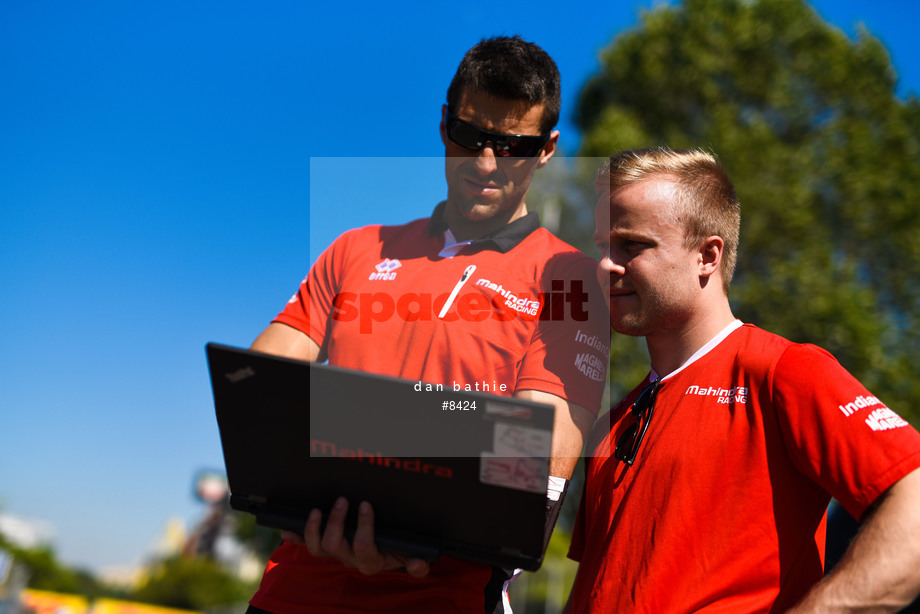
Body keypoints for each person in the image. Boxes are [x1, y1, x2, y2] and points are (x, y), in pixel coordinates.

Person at [245, 36, 610, 614]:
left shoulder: (570, 278)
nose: (488, 165)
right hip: (294, 589)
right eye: (471, 137)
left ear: (547, 151)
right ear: (444, 125)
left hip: (448, 595)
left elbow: (541, 459)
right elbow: (260, 395)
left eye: (515, 147)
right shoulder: (356, 249)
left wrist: (414, 526)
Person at [565, 147, 920, 613]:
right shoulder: (614, 421)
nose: (607, 265)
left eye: (632, 245)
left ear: (708, 256)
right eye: (602, 246)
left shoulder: (783, 372)